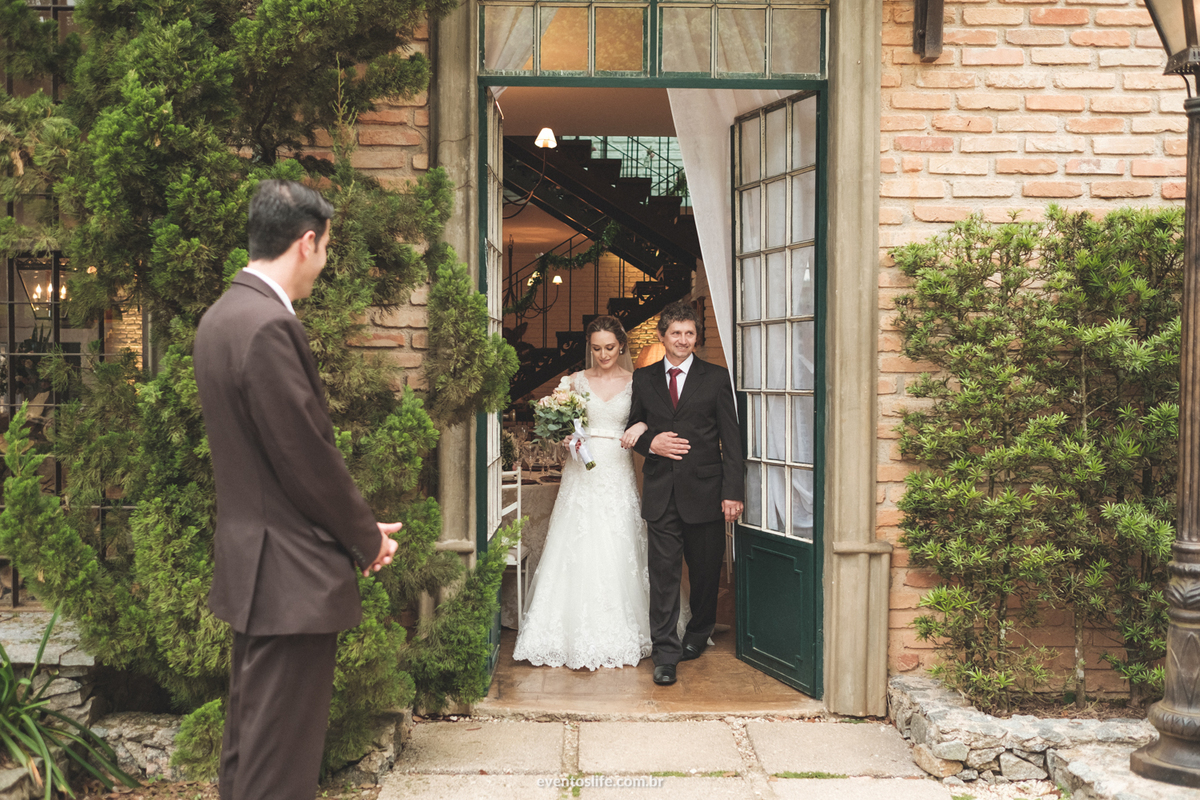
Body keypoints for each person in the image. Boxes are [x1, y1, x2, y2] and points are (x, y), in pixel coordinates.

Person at [194, 179, 401, 800]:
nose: (327, 262)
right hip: (288, 575)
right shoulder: (267, 327)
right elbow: (306, 457)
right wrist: (366, 539)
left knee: (254, 750)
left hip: (258, 567)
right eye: (328, 246)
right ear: (306, 242)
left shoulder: (222, 317)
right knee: (279, 764)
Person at [512, 316, 653, 670]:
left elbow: (656, 416)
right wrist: (563, 432)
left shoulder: (638, 382)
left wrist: (640, 423)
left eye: (609, 347)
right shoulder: (574, 382)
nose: (603, 354)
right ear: (589, 348)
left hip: (617, 470)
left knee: (617, 540)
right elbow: (557, 420)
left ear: (621, 345)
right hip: (581, 468)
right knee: (575, 540)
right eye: (596, 348)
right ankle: (561, 631)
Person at [626, 301, 744, 687]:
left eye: (689, 333)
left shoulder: (716, 378)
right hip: (661, 492)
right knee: (663, 576)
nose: (682, 340)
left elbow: (732, 439)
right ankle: (665, 652)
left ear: (697, 337)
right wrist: (651, 443)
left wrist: (733, 491)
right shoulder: (643, 379)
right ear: (662, 336)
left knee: (707, 572)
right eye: (675, 333)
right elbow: (633, 428)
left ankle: (697, 634)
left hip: (708, 492)